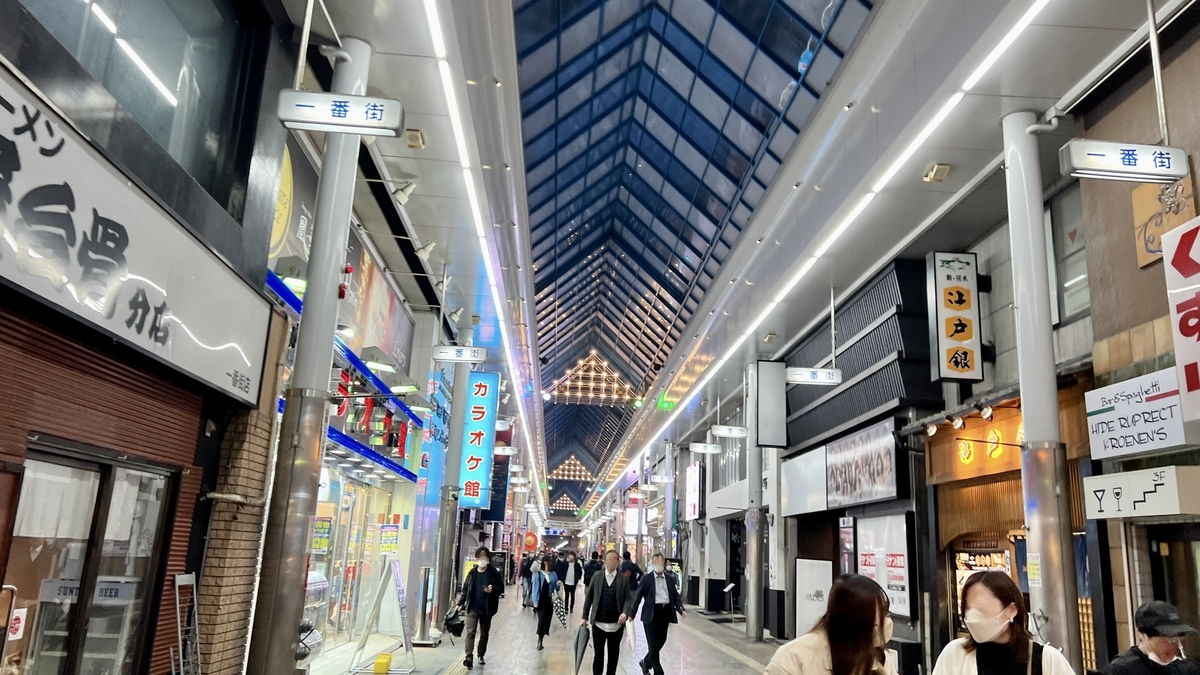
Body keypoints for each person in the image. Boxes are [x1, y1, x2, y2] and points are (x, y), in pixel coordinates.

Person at [931, 571, 1074, 675]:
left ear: (1012, 610)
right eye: (968, 609)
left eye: (981, 609)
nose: (973, 617)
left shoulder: (1047, 659)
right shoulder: (955, 654)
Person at [765, 574, 896, 675]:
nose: (888, 621)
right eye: (884, 613)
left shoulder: (879, 658)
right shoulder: (793, 657)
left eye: (888, 613)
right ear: (858, 619)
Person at [581, 550, 636, 675]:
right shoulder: (597, 576)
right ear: (604, 561)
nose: (610, 562)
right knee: (598, 654)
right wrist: (584, 617)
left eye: (613, 559)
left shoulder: (623, 578)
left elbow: (628, 598)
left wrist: (625, 612)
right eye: (608, 559)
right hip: (599, 624)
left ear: (618, 562)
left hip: (616, 625)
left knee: (613, 655)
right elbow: (589, 597)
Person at [1108, 601, 1200, 675]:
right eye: (1167, 638)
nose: (1173, 645)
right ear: (1144, 636)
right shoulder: (1122, 668)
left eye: (1177, 639)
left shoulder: (1185, 668)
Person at [632, 553, 685, 675]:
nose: (659, 565)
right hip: (651, 614)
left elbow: (675, 596)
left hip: (665, 613)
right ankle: (658, 671)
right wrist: (631, 614)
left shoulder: (670, 579)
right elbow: (638, 596)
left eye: (661, 562)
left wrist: (680, 608)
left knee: (661, 640)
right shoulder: (646, 579)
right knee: (653, 644)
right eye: (657, 563)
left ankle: (645, 662)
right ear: (652, 564)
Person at [456, 546, 504, 670]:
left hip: (487, 609)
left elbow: (501, 588)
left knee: (484, 634)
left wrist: (492, 589)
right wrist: (460, 603)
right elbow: (466, 589)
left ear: (488, 558)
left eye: (485, 557)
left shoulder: (493, 573)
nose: (482, 559)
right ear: (476, 558)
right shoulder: (472, 573)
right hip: (473, 607)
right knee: (470, 632)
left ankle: (481, 654)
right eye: (480, 557)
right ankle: (469, 657)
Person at [530, 554, 561, 650]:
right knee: (542, 620)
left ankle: (542, 637)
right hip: (540, 601)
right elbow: (535, 588)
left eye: (550, 562)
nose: (549, 564)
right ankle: (539, 640)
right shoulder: (538, 574)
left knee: (547, 620)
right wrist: (535, 601)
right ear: (544, 563)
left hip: (550, 601)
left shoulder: (553, 574)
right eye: (547, 562)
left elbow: (555, 589)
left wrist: (558, 585)